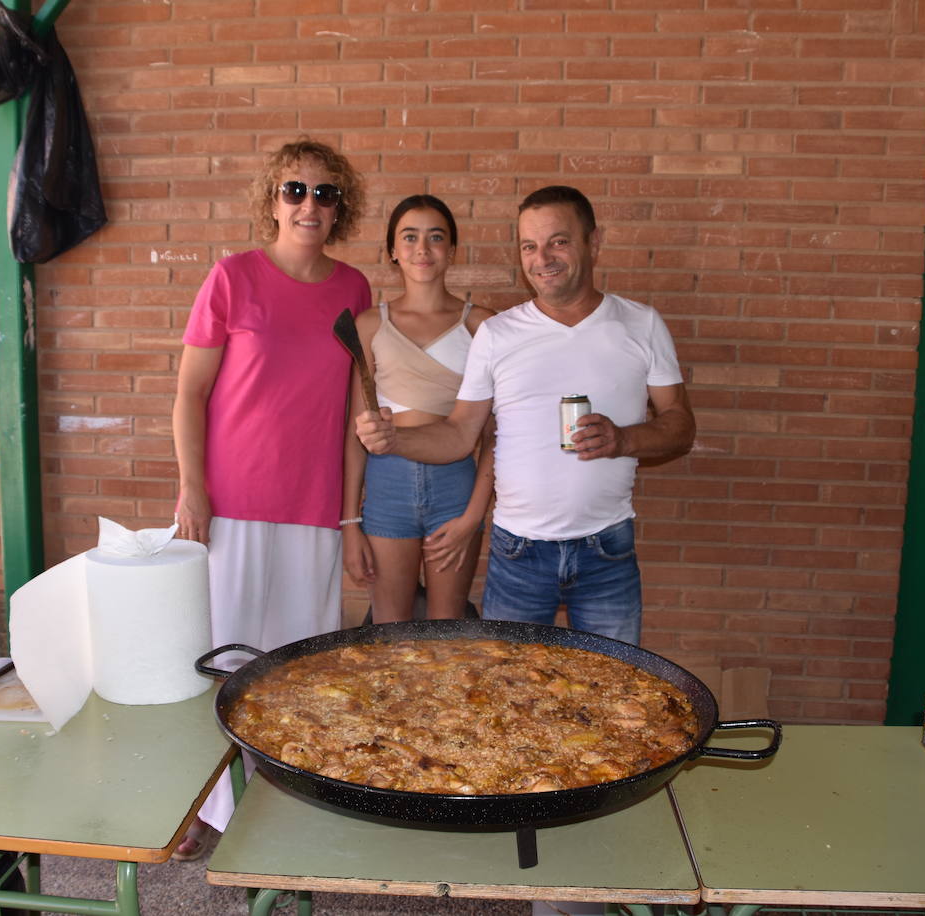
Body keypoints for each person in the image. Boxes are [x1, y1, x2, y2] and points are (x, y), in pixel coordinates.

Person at [357, 185, 695, 644]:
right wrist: (394, 441)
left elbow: (679, 425)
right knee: (510, 695)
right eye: (529, 246)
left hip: (606, 548)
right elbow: (460, 435)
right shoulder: (498, 334)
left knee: (612, 687)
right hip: (517, 555)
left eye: (559, 241)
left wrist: (624, 440)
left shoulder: (640, 324)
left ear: (593, 243)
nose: (543, 257)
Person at [172, 137, 370, 855]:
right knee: (223, 663)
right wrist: (194, 490)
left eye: (325, 193)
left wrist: (350, 519)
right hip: (230, 505)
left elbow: (355, 414)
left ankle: (282, 809)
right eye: (295, 190)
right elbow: (190, 395)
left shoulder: (354, 291)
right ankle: (206, 805)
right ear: (271, 199)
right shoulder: (232, 278)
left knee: (294, 671)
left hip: (313, 509)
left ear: (340, 207)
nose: (308, 205)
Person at [341, 195, 496, 622]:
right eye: (409, 237)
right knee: (391, 632)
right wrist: (350, 523)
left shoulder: (481, 325)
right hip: (387, 487)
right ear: (392, 249)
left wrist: (472, 517)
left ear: (452, 250)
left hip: (456, 487)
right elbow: (355, 435)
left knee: (446, 629)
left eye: (435, 237)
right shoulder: (371, 324)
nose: (422, 249)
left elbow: (496, 438)